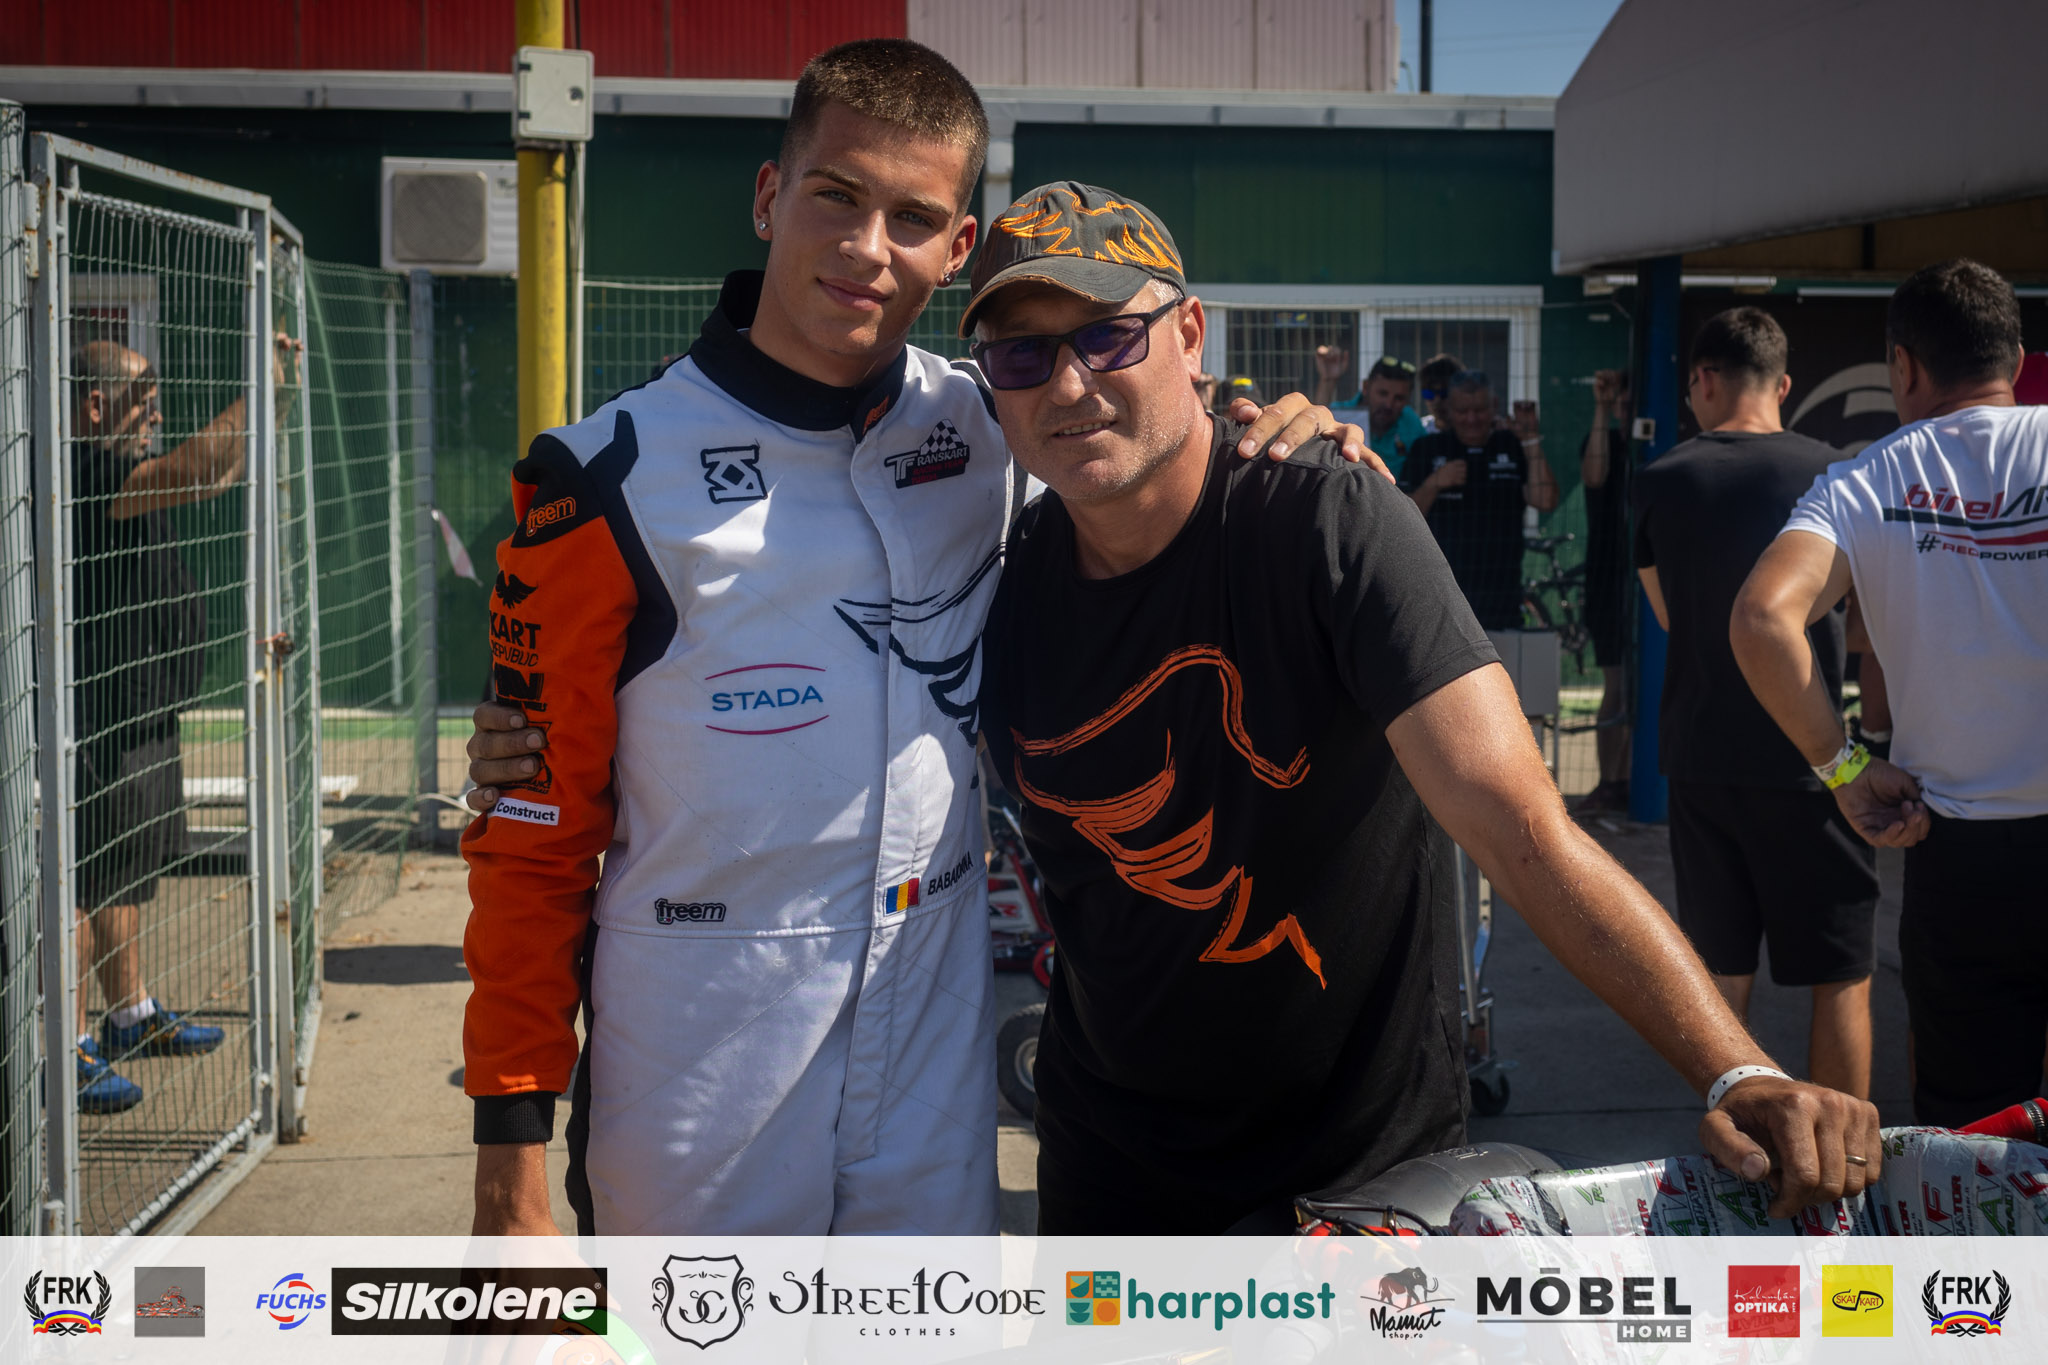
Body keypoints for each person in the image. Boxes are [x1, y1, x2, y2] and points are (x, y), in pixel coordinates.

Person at [456, 42, 1368, 1239]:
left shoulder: (999, 418)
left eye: (913, 218)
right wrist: (507, 1172)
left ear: (956, 248)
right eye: (835, 195)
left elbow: (1154, 461)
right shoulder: (607, 474)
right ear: (770, 195)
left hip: (934, 1007)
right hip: (698, 1031)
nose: (866, 247)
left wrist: (1277, 432)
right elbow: (528, 839)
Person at [955, 184, 1877, 1233]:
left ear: (1191, 334)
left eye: (1108, 337)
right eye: (1021, 355)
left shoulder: (1324, 519)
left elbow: (1520, 826)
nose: (1068, 382)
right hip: (1107, 1177)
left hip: (1359, 1181)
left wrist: (1735, 1070)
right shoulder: (990, 579)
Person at [1733, 259, 2048, 1128]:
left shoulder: (1865, 479)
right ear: (2017, 362)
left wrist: (1842, 767)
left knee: (1974, 1135)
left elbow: (1761, 619)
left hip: (1960, 854)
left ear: (1903, 367)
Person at [1631, 308, 1878, 1098]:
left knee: (1717, 975)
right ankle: (1848, 1160)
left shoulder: (1661, 480)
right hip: (1813, 759)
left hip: (1702, 758)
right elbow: (1863, 618)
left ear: (1702, 380)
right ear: (1785, 384)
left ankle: (1730, 1151)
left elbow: (1671, 616)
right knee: (1840, 974)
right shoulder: (1834, 472)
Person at [67, 338, 300, 1111]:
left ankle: (130, 1013)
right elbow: (199, 470)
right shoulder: (88, 471)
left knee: (124, 872)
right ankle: (67, 1049)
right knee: (83, 883)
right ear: (96, 405)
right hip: (101, 719)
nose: (156, 411)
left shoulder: (131, 467)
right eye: (144, 397)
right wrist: (255, 382)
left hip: (141, 713)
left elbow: (220, 471)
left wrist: (275, 399)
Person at [1400, 370, 1557, 630]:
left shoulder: (1511, 445)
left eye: (1480, 410)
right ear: (1448, 409)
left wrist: (1530, 439)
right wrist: (1434, 483)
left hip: (1502, 601)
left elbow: (1546, 500)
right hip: (1441, 601)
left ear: (1494, 406)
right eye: (1462, 411)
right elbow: (1402, 520)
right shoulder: (1427, 448)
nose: (1472, 419)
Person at [1575, 368, 1633, 813]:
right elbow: (1594, 477)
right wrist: (1601, 408)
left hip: (1649, 581)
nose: (1628, 411)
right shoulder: (1606, 441)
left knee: (1642, 687)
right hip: (1609, 580)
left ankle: (1634, 780)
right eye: (1622, 403)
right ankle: (1610, 782)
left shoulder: (1663, 446)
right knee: (1617, 684)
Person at [1312, 347, 1426, 463]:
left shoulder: (1411, 422)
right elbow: (1316, 430)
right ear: (1366, 387)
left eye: (1399, 398)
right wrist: (1327, 380)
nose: (1389, 404)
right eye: (1383, 394)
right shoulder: (1341, 414)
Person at [1417, 352, 1462, 432]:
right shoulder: (1419, 430)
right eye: (1429, 394)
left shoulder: (1470, 432)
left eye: (1444, 393)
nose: (1437, 401)